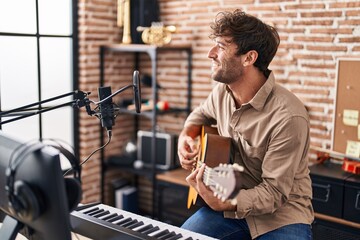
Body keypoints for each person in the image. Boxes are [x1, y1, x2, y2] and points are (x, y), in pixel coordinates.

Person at [177, 9, 314, 240]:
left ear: (249, 58)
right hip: (230, 207)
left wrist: (226, 201)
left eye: (221, 46)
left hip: (281, 217)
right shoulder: (221, 93)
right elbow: (199, 114)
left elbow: (273, 193)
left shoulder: (289, 117)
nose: (211, 54)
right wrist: (185, 137)